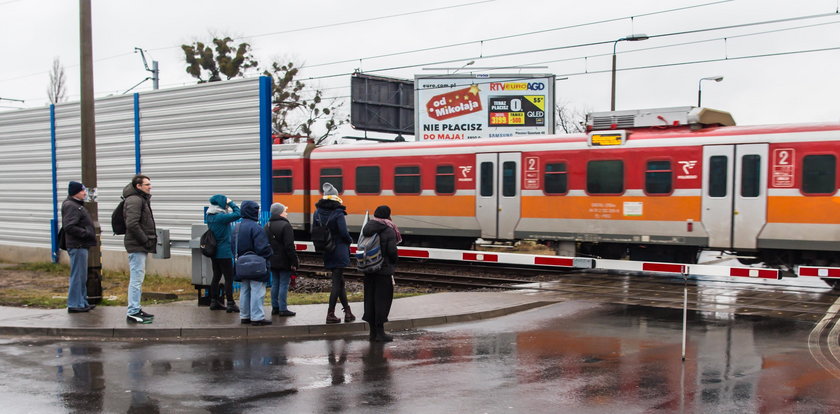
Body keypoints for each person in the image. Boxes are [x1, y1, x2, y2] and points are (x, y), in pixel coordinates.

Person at [313, 182, 355, 324]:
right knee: (337, 283)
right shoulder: (338, 213)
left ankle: (348, 312)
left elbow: (315, 230)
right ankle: (330, 314)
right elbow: (343, 232)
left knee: (340, 281)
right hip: (338, 249)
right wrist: (350, 240)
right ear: (336, 198)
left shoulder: (317, 212)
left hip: (326, 249)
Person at [361, 205, 400, 342]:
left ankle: (372, 333)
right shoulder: (388, 229)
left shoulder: (367, 228)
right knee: (382, 301)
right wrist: (393, 263)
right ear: (387, 215)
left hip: (369, 270)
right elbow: (392, 252)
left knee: (370, 300)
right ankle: (380, 333)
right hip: (383, 271)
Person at [123, 174, 156, 324]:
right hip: (137, 245)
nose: (150, 186)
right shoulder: (135, 200)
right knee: (136, 279)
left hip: (139, 245)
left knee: (138, 278)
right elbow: (132, 224)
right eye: (147, 184)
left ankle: (136, 308)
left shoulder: (140, 199)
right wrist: (145, 240)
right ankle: (133, 311)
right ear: (138, 186)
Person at [234, 200, 273, 326]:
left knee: (245, 289)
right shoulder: (256, 227)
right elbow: (262, 248)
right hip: (256, 264)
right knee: (257, 290)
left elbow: (232, 245)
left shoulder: (237, 227)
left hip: (241, 263)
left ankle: (244, 315)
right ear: (253, 212)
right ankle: (257, 317)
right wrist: (269, 254)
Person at [61, 181, 97, 313]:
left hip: (81, 245)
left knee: (82, 275)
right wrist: (86, 233)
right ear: (75, 192)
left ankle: (82, 302)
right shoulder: (71, 206)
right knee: (77, 275)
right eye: (82, 191)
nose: (84, 193)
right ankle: (75, 303)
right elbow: (69, 226)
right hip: (77, 245)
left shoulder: (76, 205)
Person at [205, 194, 241, 313]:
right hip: (224, 252)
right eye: (224, 204)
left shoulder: (209, 216)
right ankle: (230, 303)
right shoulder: (220, 217)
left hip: (214, 252)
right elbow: (238, 213)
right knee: (229, 278)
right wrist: (231, 203)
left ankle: (214, 301)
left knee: (216, 276)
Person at [265, 202, 299, 317]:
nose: (286, 213)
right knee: (284, 284)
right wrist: (294, 261)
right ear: (280, 213)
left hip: (272, 259)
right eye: (285, 211)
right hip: (284, 260)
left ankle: (275, 307)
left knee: (275, 283)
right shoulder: (286, 226)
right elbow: (289, 246)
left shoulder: (267, 225)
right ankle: (283, 309)